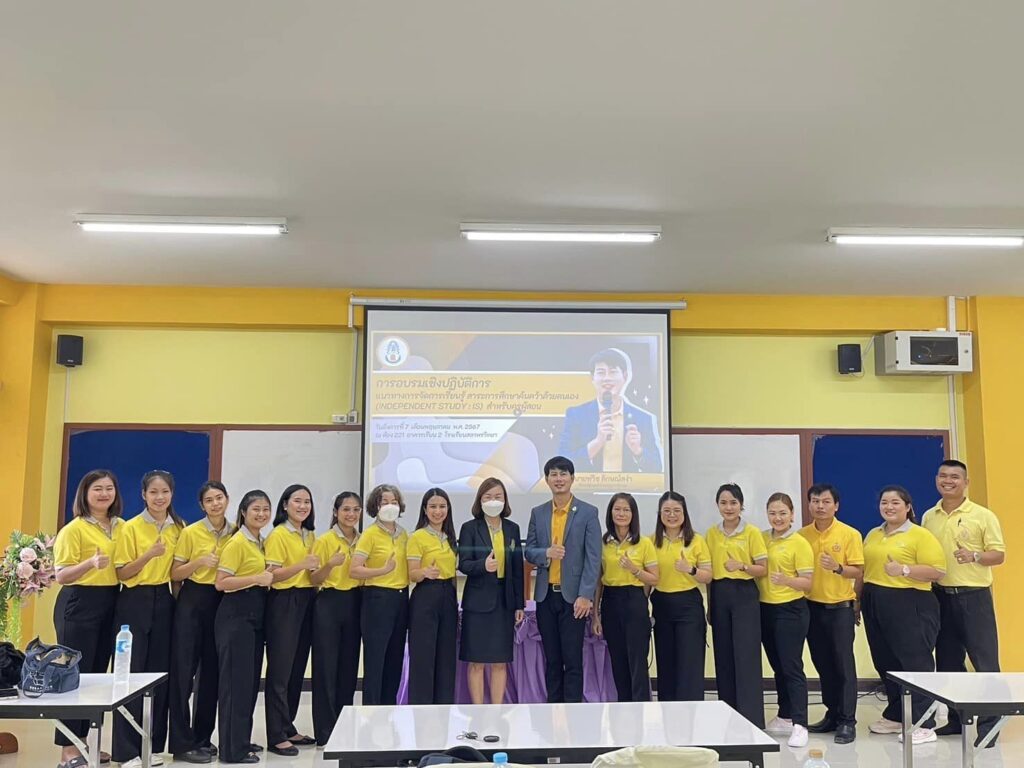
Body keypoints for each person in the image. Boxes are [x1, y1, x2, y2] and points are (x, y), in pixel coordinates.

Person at [921, 459, 1006, 745]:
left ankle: (989, 728)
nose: (948, 481)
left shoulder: (982, 515)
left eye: (955, 477)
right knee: (947, 662)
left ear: (966, 482)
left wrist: (975, 556)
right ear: (936, 479)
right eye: (943, 475)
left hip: (974, 597)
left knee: (985, 663)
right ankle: (957, 721)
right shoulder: (929, 516)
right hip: (940, 596)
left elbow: (999, 555)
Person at [862, 486, 945, 745]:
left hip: (910, 602)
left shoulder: (920, 535)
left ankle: (924, 723)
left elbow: (938, 571)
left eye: (895, 502)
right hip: (875, 599)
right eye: (884, 502)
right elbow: (865, 570)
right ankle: (897, 715)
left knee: (915, 662)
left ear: (908, 507)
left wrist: (905, 569)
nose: (889, 507)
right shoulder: (873, 534)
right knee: (885, 660)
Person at [112, 470, 184, 768]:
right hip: (134, 600)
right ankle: (125, 751)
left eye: (164, 492)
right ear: (143, 495)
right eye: (153, 492)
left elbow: (177, 573)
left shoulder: (178, 527)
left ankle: (150, 746)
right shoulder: (130, 527)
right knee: (130, 674)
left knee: (158, 675)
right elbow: (122, 572)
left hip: (164, 599)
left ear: (172, 494)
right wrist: (150, 554)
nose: (159, 497)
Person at [53, 470, 124, 768]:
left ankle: (86, 744)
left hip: (110, 600)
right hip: (79, 601)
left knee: (96, 676)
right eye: (97, 489)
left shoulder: (120, 526)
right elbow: (61, 575)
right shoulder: (74, 529)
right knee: (74, 677)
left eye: (109, 488)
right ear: (85, 493)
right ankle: (68, 750)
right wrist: (90, 563)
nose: (104, 494)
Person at [525, 456, 602, 703]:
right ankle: (553, 711)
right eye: (554, 474)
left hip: (574, 599)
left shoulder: (588, 512)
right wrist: (546, 553)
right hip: (546, 596)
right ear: (547, 479)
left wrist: (585, 595)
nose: (558, 479)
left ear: (572, 478)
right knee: (552, 660)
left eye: (563, 474)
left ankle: (573, 712)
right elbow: (529, 551)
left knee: (573, 660)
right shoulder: (538, 513)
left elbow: (593, 558)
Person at [168, 481, 235, 764]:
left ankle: (202, 738)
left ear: (227, 499)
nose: (215, 504)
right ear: (202, 505)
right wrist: (198, 562)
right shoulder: (191, 532)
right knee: (184, 673)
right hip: (193, 601)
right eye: (209, 500)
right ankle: (181, 742)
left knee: (212, 674)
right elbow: (175, 574)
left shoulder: (236, 531)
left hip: (221, 602)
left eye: (219, 498)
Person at [799, 483, 863, 745]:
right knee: (823, 664)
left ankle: (847, 721)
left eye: (826, 501)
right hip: (811, 608)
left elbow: (858, 571)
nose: (820, 506)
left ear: (836, 506)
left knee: (843, 666)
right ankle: (832, 714)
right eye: (815, 501)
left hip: (840, 609)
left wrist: (838, 568)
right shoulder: (802, 535)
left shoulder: (849, 534)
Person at [215, 490, 274, 765]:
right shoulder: (237, 542)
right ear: (243, 513)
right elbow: (221, 583)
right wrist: (256, 578)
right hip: (235, 617)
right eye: (255, 509)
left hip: (254, 616)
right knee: (235, 684)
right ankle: (231, 750)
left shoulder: (259, 541)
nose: (261, 514)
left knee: (248, 685)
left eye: (265, 509)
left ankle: (241, 739)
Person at [457, 477, 525, 704]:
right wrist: (483, 566)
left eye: (498, 496)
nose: (493, 501)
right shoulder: (469, 528)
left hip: (504, 603)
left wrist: (519, 604)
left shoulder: (512, 528)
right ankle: (478, 709)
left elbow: (517, 569)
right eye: (488, 497)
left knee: (500, 661)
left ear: (505, 500)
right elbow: (463, 564)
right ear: (480, 500)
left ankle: (496, 710)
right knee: (476, 662)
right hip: (478, 604)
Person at [705, 483, 768, 728]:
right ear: (717, 505)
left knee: (746, 655)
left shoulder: (752, 532)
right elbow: (709, 573)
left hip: (744, 594)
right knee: (723, 655)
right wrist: (710, 605)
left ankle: (751, 719)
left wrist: (742, 566)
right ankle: (727, 714)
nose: (728, 507)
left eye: (733, 502)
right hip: (720, 593)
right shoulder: (711, 533)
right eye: (723, 503)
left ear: (741, 505)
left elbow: (762, 569)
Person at [263, 484, 318, 757]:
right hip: (284, 601)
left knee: (297, 668)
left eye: (307, 502)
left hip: (307, 599)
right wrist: (301, 566)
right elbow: (272, 575)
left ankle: (288, 726)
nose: (303, 506)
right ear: (285, 505)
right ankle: (275, 735)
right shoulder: (278, 534)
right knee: (280, 670)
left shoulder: (309, 534)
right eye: (297, 501)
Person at [758, 493, 814, 749]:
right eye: (773, 513)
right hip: (764, 609)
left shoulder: (799, 543)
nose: (777, 518)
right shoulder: (761, 537)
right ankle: (785, 715)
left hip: (790, 610)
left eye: (782, 513)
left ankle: (800, 724)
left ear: (792, 514)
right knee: (778, 666)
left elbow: (807, 583)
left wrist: (787, 581)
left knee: (791, 667)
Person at [592, 493, 658, 702]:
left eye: (626, 510)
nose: (621, 514)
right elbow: (598, 582)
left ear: (633, 514)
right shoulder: (603, 543)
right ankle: (624, 709)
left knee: (637, 661)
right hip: (611, 601)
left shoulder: (644, 543)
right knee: (618, 661)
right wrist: (595, 615)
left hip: (634, 600)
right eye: (617, 509)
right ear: (610, 513)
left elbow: (654, 578)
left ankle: (641, 707)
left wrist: (634, 569)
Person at [310, 492, 363, 746]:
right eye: (346, 509)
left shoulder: (363, 540)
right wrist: (330, 564)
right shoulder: (325, 540)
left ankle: (345, 725)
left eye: (356, 510)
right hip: (329, 603)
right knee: (326, 668)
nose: (351, 514)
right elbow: (313, 579)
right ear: (336, 512)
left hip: (355, 602)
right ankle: (325, 730)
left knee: (348, 668)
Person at [649, 490, 712, 702]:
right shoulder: (651, 541)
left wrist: (690, 569)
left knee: (689, 664)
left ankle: (691, 712)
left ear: (684, 513)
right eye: (666, 511)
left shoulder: (696, 540)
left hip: (688, 605)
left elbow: (708, 576)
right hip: (661, 604)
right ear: (659, 514)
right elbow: (648, 579)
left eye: (677, 510)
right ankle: (668, 711)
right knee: (666, 662)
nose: (672, 515)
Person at [350, 484, 409, 705]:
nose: (390, 506)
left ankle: (388, 711)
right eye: (384, 502)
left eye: (394, 502)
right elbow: (354, 570)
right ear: (375, 506)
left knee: (395, 660)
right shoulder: (370, 534)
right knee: (376, 661)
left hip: (401, 599)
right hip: (377, 599)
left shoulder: (403, 534)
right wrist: (382, 570)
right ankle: (371, 713)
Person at [558, 348, 663, 473]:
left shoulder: (643, 419)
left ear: (625, 376)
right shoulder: (576, 415)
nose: (607, 378)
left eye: (613, 372)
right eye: (601, 372)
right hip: (589, 485)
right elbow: (562, 463)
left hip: (628, 486)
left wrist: (638, 451)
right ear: (592, 378)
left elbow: (657, 467)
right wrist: (597, 442)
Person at [406, 488, 459, 704]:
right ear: (425, 510)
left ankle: (443, 709)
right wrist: (425, 572)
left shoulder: (450, 537)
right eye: (433, 506)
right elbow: (412, 574)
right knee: (423, 657)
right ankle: (421, 710)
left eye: (442, 506)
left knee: (446, 657)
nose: (438, 511)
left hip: (448, 595)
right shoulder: (417, 536)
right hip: (425, 596)